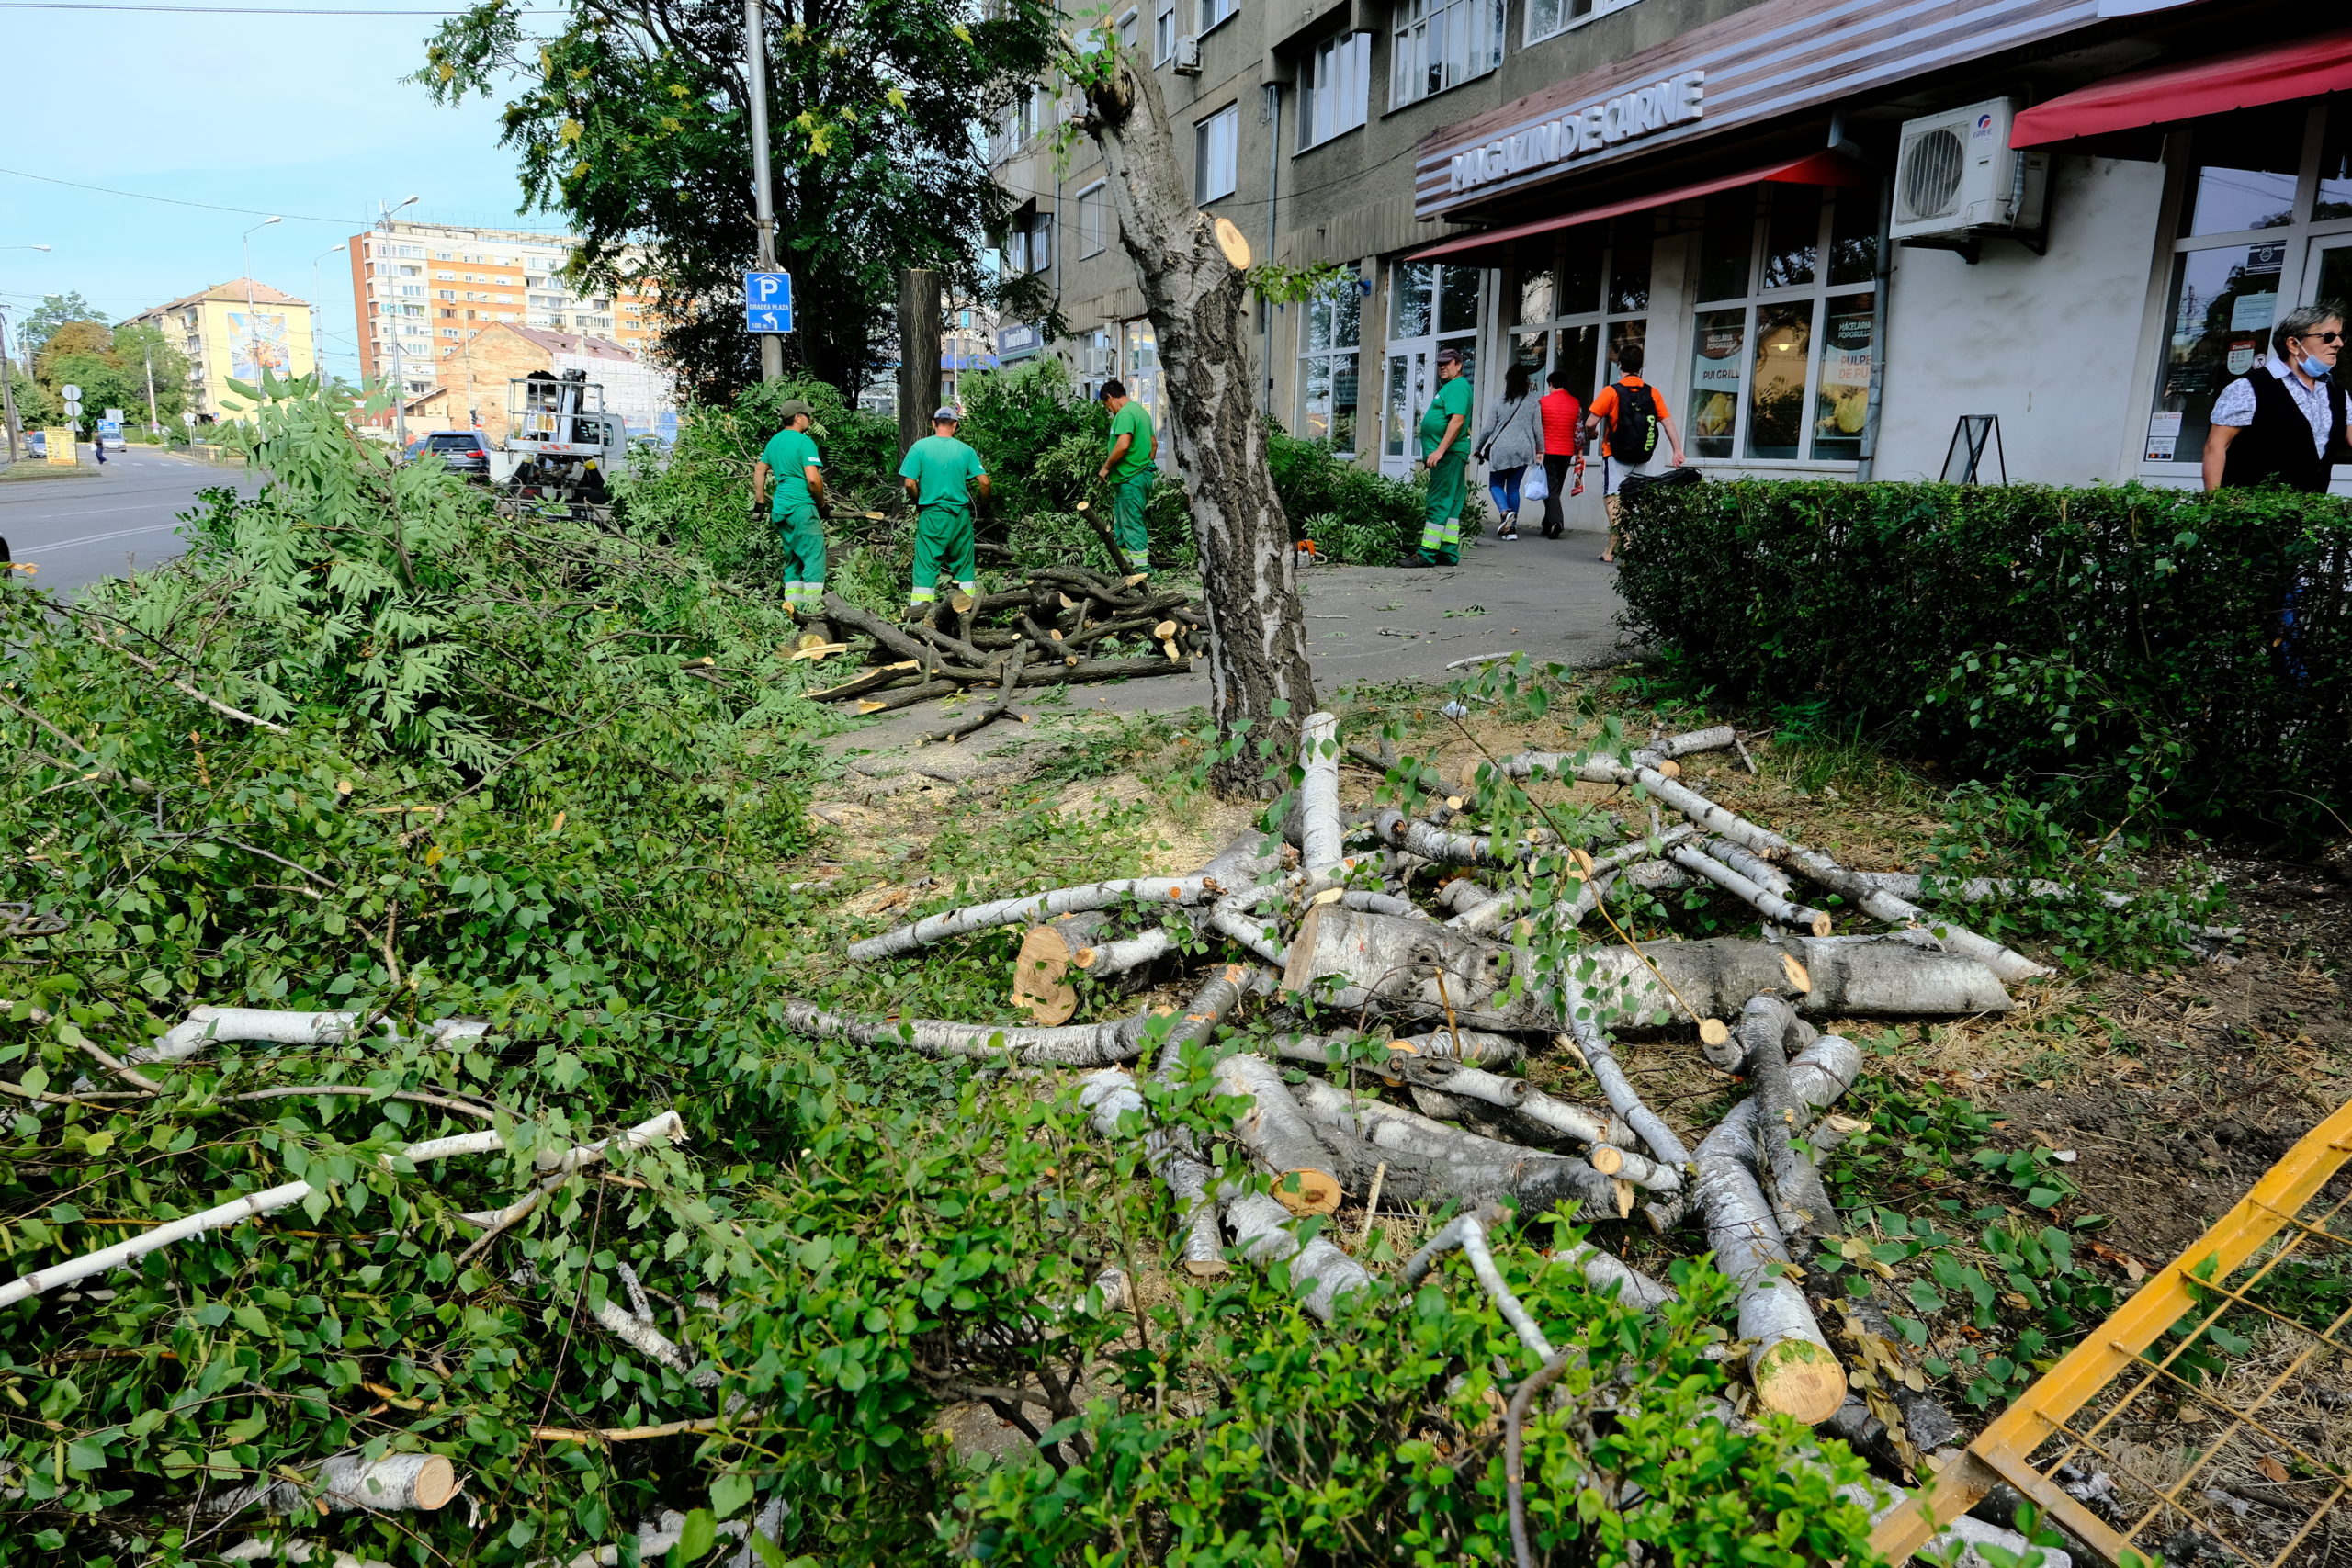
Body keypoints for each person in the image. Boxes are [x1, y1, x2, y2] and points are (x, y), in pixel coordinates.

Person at [2204, 302, 2352, 492]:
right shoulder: (2249, 388)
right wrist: (2214, 505)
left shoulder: (2338, 395)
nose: (2338, 343)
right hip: (2253, 512)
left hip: (2309, 513)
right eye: (2328, 337)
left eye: (2341, 337)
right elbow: (2216, 447)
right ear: (2293, 344)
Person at [1583, 343, 1685, 564]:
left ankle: (1628, 543)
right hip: (1641, 455)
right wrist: (1677, 450)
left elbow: (1590, 422)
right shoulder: (1652, 392)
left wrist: (1592, 434)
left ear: (1619, 364)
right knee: (1627, 501)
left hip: (1615, 453)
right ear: (1641, 367)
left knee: (1612, 500)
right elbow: (1667, 423)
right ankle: (1610, 551)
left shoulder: (1611, 391)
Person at [898, 405, 991, 609]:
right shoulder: (966, 450)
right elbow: (984, 482)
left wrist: (917, 500)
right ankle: (966, 613)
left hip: (932, 514)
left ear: (933, 424)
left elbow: (909, 483)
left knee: (926, 565)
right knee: (964, 566)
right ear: (955, 425)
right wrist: (984, 506)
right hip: (960, 515)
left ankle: (919, 613)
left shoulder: (920, 448)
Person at [752, 398, 827, 616]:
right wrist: (821, 504)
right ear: (797, 417)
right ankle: (813, 611)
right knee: (814, 557)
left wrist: (760, 503)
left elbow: (759, 471)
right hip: (801, 506)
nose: (810, 419)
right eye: (807, 415)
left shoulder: (774, 441)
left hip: (781, 508)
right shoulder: (804, 442)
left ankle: (792, 610)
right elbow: (813, 480)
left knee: (794, 559)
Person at [1410, 347, 1473, 567]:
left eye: (1447, 363)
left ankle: (1426, 554)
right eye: (1440, 363)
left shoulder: (1457, 386)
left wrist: (1439, 450)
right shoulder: (1454, 387)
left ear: (1458, 364)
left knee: (1438, 501)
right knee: (1452, 503)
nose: (1442, 367)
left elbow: (1457, 420)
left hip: (1448, 455)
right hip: (1453, 454)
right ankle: (1447, 551)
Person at [1474, 361, 1544, 542]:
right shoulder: (1533, 402)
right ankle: (1511, 530)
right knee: (1513, 488)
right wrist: (1541, 449)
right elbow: (1538, 429)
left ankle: (1505, 512)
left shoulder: (1498, 402)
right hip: (1523, 450)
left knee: (1495, 485)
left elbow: (1488, 429)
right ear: (1526, 381)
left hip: (1501, 449)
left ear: (1508, 381)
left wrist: (1478, 448)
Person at [1096, 379, 1156, 578]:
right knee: (1121, 526)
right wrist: (1145, 466)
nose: (1109, 411)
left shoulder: (1125, 414)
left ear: (1110, 398)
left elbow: (1122, 445)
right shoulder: (1141, 413)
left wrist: (1106, 468)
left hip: (1131, 479)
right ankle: (1126, 568)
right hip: (1134, 478)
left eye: (1107, 406)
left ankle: (1141, 571)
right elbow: (1153, 444)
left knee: (1131, 524)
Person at [1537, 369, 1586, 541]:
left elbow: (1537, 428)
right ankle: (1546, 524)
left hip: (1547, 451)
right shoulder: (1575, 403)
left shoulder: (1542, 402)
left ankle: (1557, 522)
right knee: (1554, 489)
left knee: (1551, 489)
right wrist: (1579, 452)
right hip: (1566, 452)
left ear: (1551, 384)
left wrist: (1537, 450)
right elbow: (1579, 432)